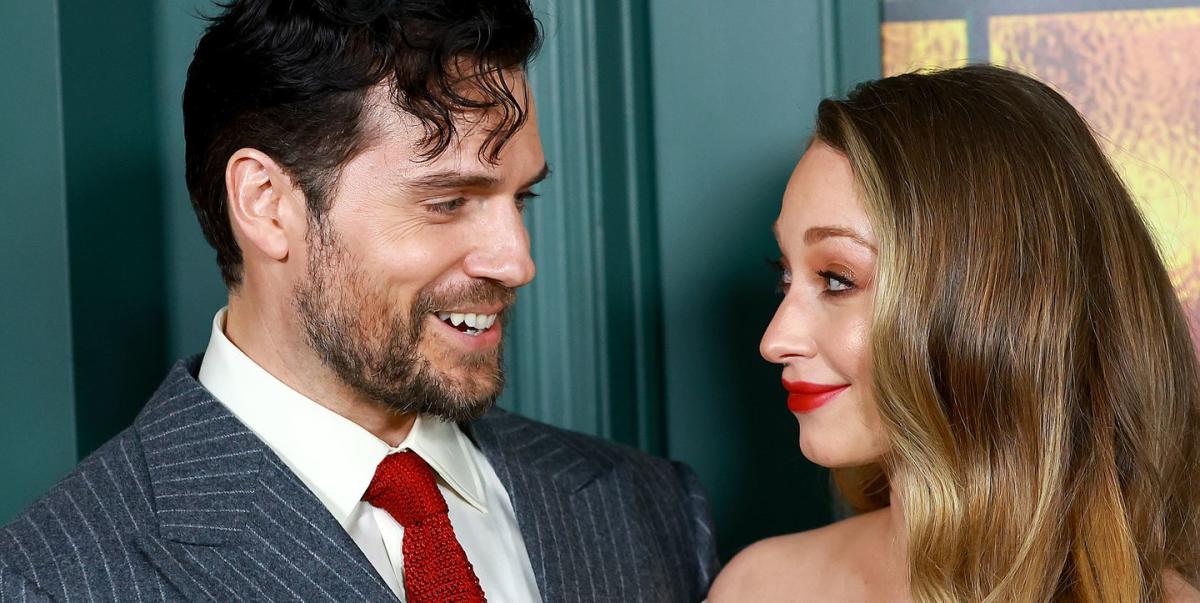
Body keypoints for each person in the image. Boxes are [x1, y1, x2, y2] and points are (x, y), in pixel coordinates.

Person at [0, 1, 717, 601]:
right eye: (448, 201)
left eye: (520, 197)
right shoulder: (55, 577)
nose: (517, 260)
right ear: (266, 203)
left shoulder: (647, 507)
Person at [709, 65, 1200, 602]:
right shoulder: (759, 588)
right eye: (784, 274)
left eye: (836, 279)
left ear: (991, 304)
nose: (775, 339)